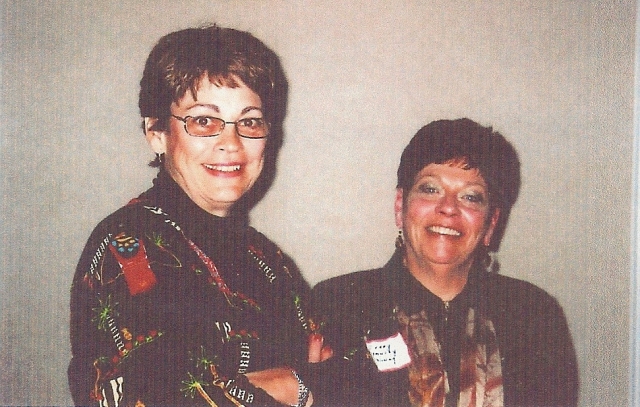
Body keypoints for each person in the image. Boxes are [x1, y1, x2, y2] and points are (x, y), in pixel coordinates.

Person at [69, 25, 328, 407]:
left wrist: (290, 382)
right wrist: (295, 384)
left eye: (250, 121)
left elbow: (332, 368)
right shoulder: (129, 245)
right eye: (203, 120)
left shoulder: (268, 261)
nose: (231, 142)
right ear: (156, 132)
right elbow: (162, 398)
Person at [312, 118, 579, 406]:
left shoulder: (534, 316)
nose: (448, 208)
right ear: (400, 206)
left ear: (491, 224)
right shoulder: (336, 304)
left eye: (471, 197)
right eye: (430, 189)